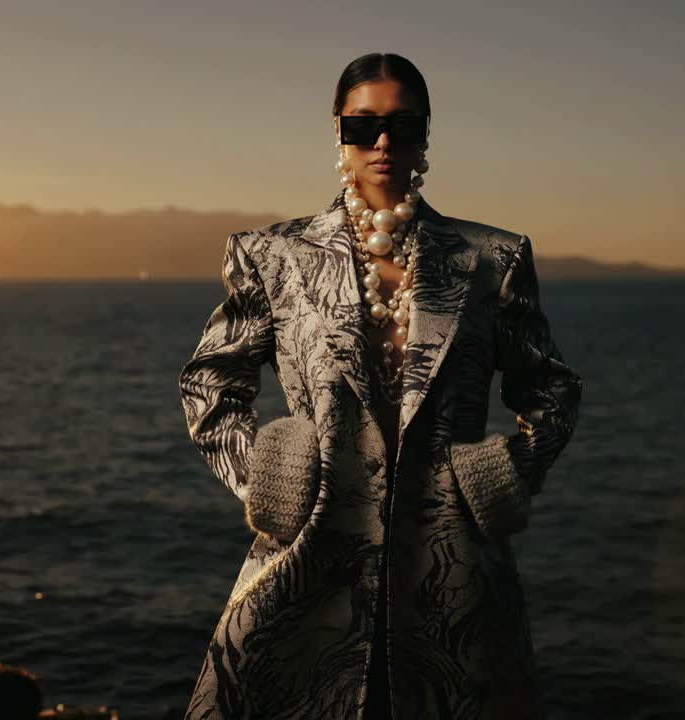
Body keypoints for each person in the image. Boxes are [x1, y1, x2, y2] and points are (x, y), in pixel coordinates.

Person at [178, 52, 582, 720]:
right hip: (304, 569)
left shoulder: (492, 259)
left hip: (454, 589)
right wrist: (266, 475)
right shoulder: (274, 255)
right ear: (338, 133)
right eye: (363, 126)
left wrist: (507, 469)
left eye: (403, 124)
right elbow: (208, 381)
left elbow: (553, 390)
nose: (384, 141)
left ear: (425, 133)